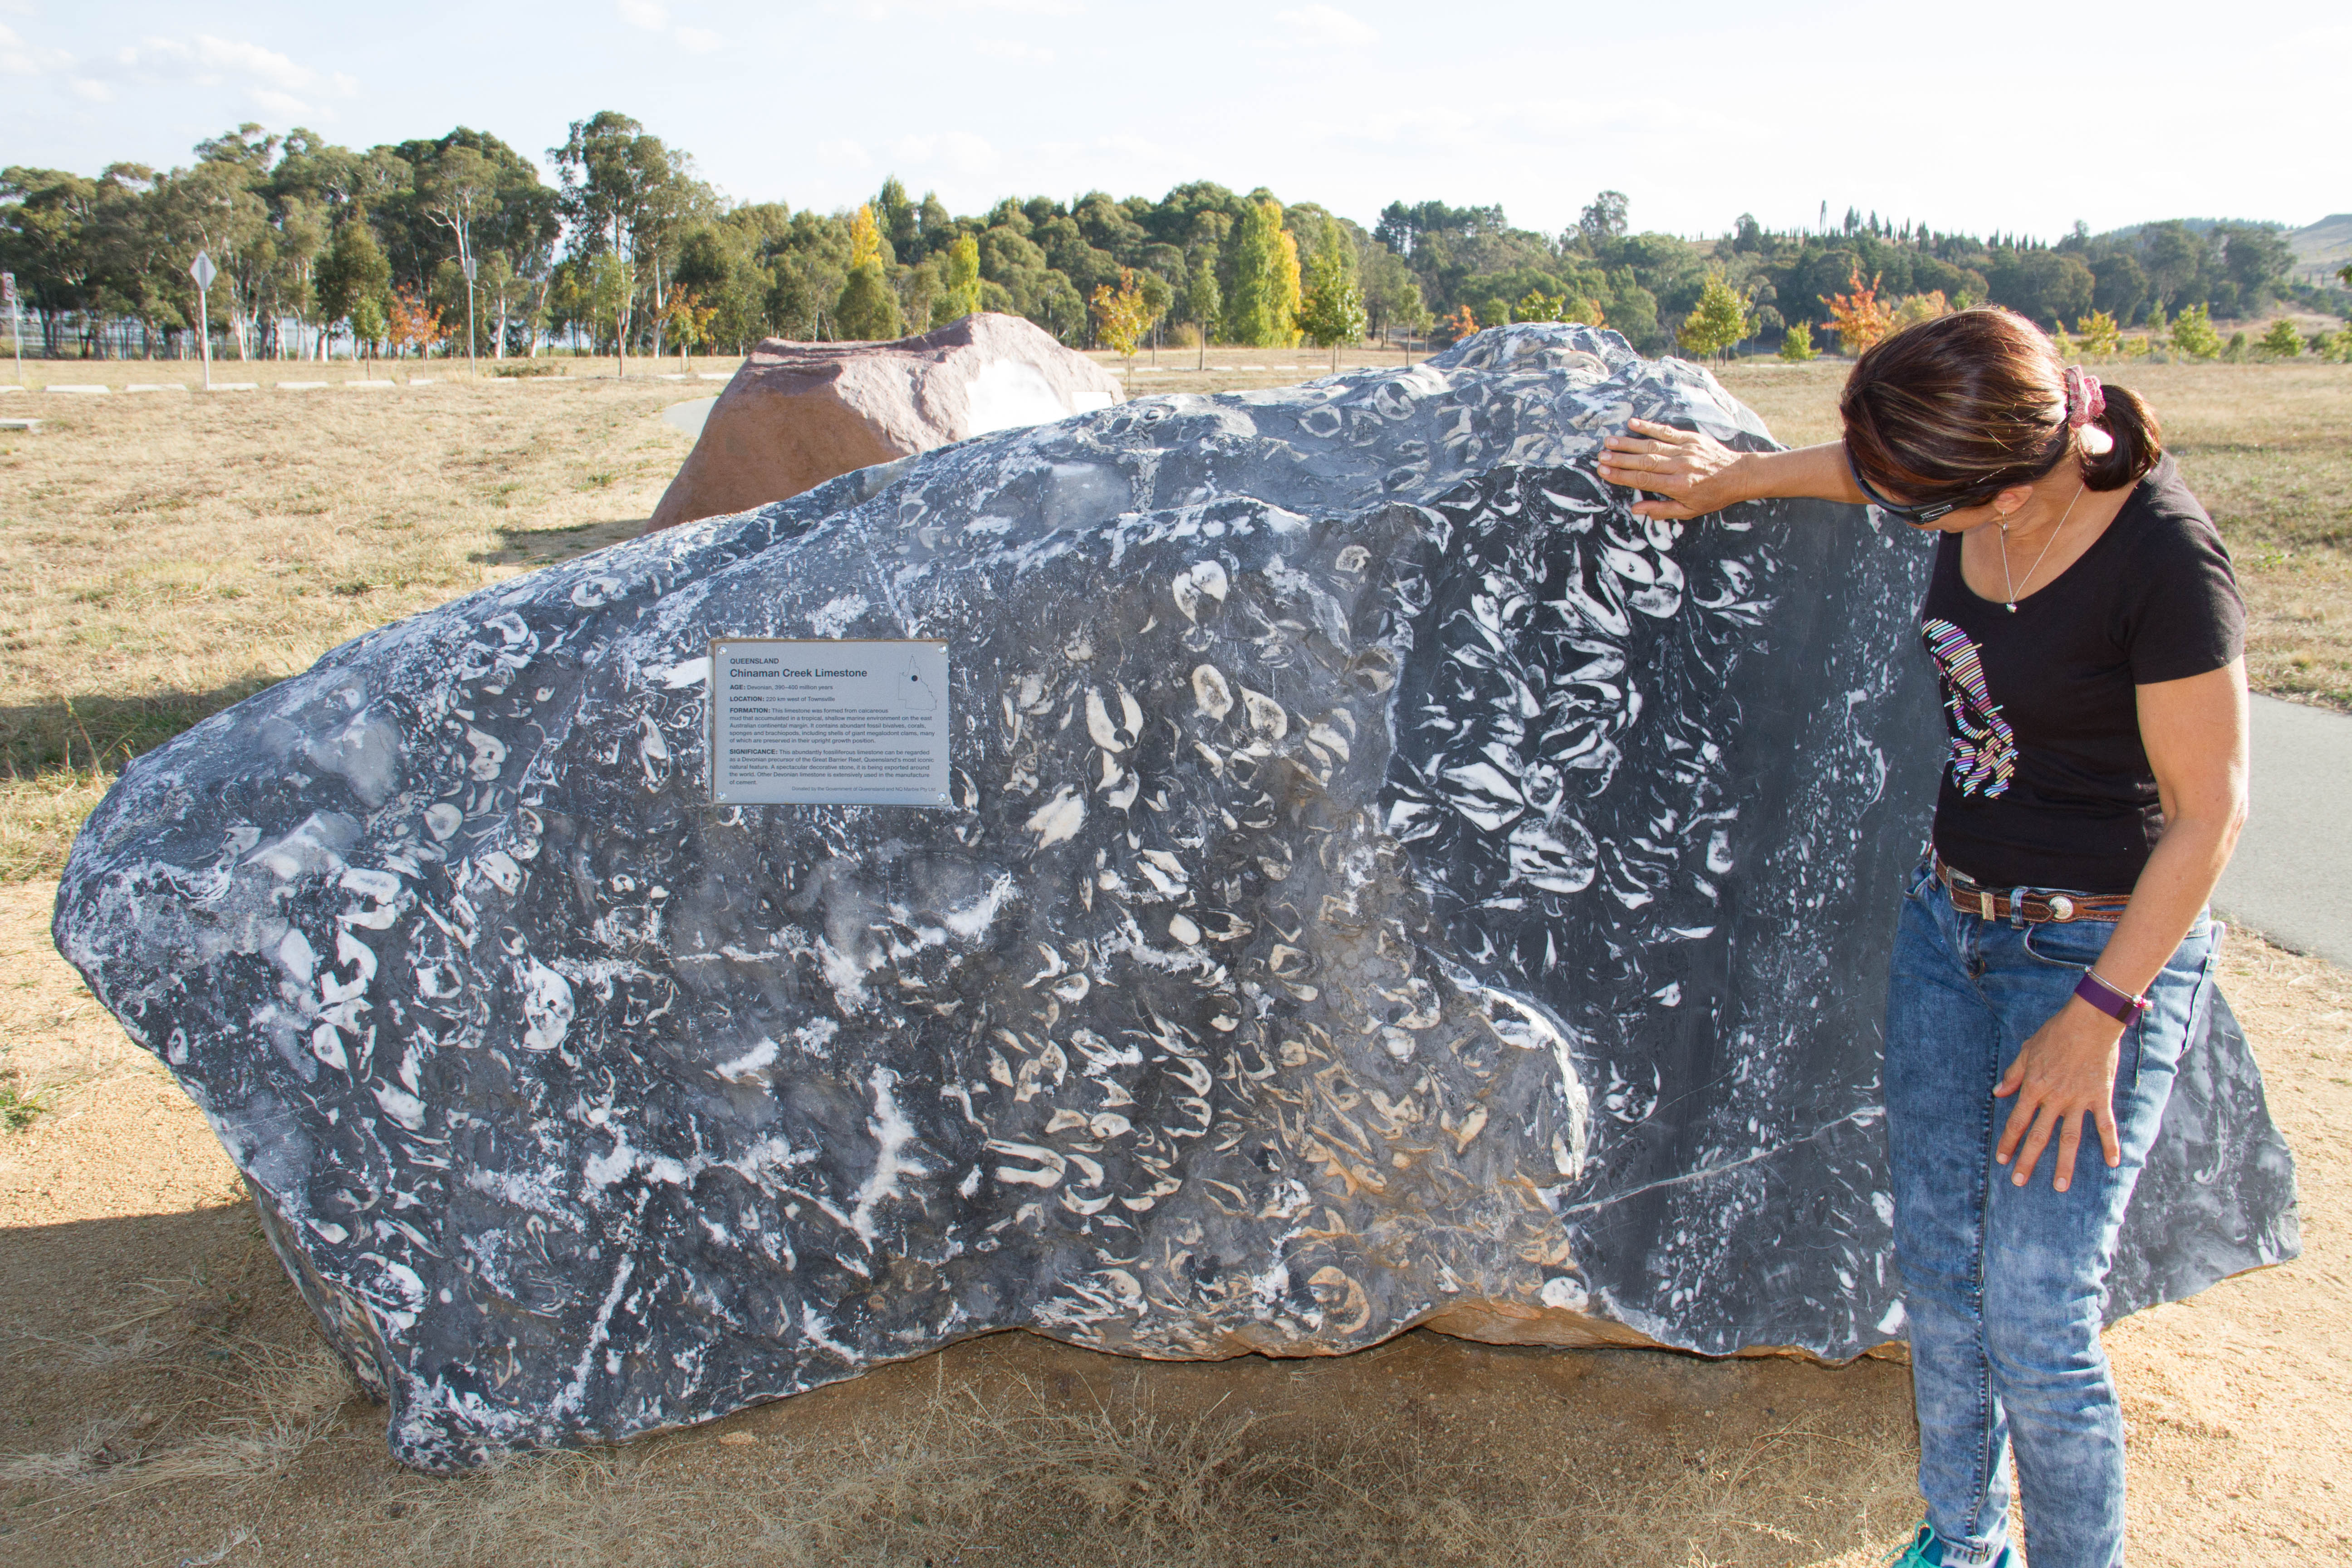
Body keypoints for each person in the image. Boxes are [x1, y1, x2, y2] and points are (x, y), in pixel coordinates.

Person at [1596, 307, 2249, 1568]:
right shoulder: (1976, 466)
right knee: (1941, 1273)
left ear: (2007, 487)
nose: (1897, 519)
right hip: (1949, 934)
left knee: (2041, 1313)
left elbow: (2212, 816)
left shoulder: (2164, 563)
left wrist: (2101, 1018)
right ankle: (1962, 1540)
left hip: (2095, 965)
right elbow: (1865, 470)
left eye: (1920, 510)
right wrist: (1727, 479)